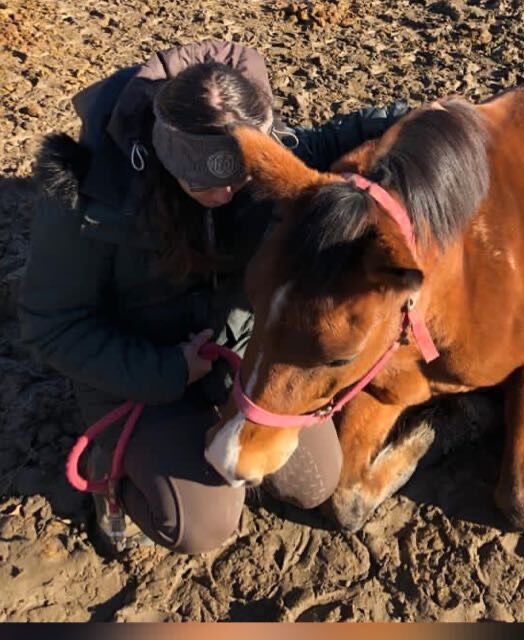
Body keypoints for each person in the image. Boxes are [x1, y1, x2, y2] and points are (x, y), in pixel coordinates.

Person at [18, 39, 411, 554]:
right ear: (162, 152)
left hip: (239, 357)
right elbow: (52, 323)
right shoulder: (88, 197)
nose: (224, 195)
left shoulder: (264, 162)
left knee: (315, 482)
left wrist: (423, 117)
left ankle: (205, 440)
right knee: (199, 525)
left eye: (240, 179)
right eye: (200, 181)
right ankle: (110, 474)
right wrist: (170, 370)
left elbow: (341, 135)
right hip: (139, 371)